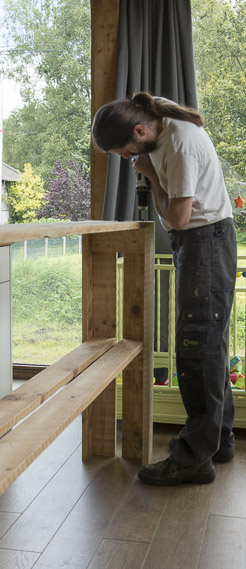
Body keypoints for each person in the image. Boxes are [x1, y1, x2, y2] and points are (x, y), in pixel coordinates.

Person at [92, 92, 237, 486]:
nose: (128, 158)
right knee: (209, 344)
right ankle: (218, 439)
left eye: (126, 151)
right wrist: (150, 168)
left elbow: (177, 216)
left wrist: (151, 174)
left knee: (196, 348)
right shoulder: (160, 121)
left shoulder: (180, 144)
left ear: (140, 131)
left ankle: (193, 458)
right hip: (204, 241)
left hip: (203, 241)